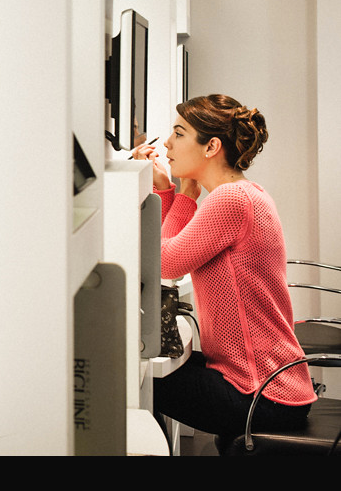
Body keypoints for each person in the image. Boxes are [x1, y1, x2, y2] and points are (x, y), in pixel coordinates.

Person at [132, 94, 315, 446]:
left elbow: (165, 262)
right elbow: (169, 252)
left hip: (260, 393)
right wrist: (174, 191)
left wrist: (179, 195)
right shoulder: (245, 193)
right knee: (147, 369)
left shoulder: (231, 199)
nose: (167, 143)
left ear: (211, 146)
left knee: (130, 376)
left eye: (179, 134)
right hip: (269, 382)